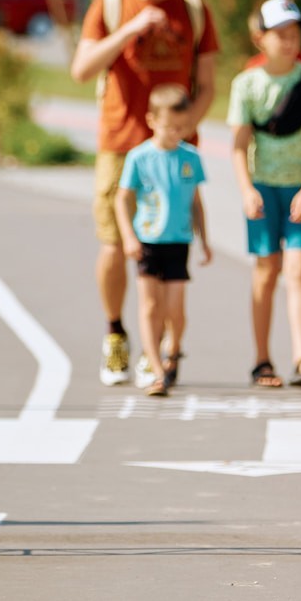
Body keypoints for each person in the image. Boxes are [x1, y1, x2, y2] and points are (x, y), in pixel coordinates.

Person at [71, 0, 220, 387]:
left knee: (168, 253)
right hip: (121, 145)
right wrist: (131, 30)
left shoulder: (193, 8)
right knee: (116, 244)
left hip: (173, 153)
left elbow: (209, 83)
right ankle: (116, 333)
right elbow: (81, 71)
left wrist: (182, 128)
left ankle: (157, 350)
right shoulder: (111, 6)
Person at [228, 0, 301, 388]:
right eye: (280, 34)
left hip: (299, 190)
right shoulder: (247, 84)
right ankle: (262, 360)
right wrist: (245, 190)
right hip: (261, 190)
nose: (289, 42)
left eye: (294, 34)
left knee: (299, 269)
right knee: (266, 271)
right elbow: (239, 145)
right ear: (260, 38)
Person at [114, 84, 213, 397]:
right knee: (150, 306)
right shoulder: (139, 157)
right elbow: (121, 199)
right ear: (152, 120)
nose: (175, 133)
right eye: (169, 127)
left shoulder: (190, 157)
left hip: (178, 241)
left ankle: (173, 349)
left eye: (181, 127)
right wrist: (128, 236)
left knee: (175, 309)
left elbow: (197, 202)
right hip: (147, 241)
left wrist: (205, 240)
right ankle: (156, 370)